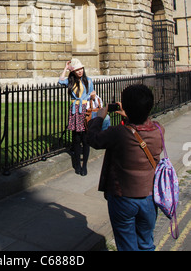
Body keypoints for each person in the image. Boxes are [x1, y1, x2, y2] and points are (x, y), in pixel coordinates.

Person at [87, 84, 164, 251]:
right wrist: (130, 115)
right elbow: (141, 128)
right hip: (150, 198)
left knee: (127, 247)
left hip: (123, 198)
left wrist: (99, 117)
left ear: (126, 107)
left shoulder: (119, 133)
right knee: (146, 244)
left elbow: (93, 139)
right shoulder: (159, 130)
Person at [59, 59, 94, 176]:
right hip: (75, 111)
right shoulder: (70, 81)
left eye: (81, 69)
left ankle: (85, 165)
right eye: (77, 70)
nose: (80, 71)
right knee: (76, 139)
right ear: (73, 72)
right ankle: (77, 165)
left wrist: (92, 96)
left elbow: (92, 95)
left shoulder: (88, 80)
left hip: (85, 110)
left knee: (85, 140)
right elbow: (60, 81)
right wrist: (66, 68)